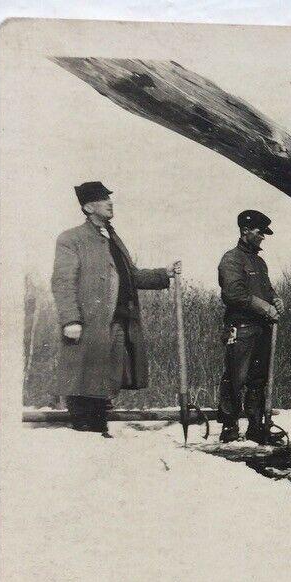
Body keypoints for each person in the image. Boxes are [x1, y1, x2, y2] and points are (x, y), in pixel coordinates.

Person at [51, 181, 178, 435]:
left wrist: (164, 274)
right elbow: (62, 282)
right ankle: (84, 431)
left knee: (105, 379)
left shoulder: (112, 238)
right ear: (88, 207)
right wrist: (70, 320)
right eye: (103, 199)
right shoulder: (71, 239)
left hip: (118, 319)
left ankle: (98, 428)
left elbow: (131, 276)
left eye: (109, 198)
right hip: (89, 321)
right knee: (84, 379)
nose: (110, 202)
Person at [217, 209, 286, 444]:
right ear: (245, 230)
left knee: (258, 379)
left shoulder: (259, 261)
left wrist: (275, 299)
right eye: (259, 232)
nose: (262, 237)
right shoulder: (231, 259)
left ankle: (256, 427)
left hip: (262, 329)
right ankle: (229, 427)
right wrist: (264, 307)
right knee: (235, 377)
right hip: (242, 327)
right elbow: (234, 294)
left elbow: (265, 289)